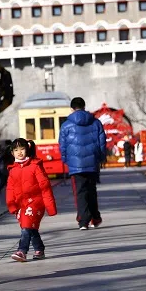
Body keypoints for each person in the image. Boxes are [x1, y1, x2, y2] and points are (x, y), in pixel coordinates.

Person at [59, 96, 107, 230]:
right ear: (84, 106)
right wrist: (101, 158)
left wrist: (65, 159)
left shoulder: (66, 125)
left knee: (79, 193)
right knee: (92, 191)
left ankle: (83, 221)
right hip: (92, 163)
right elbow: (102, 143)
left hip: (75, 165)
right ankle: (95, 218)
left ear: (72, 108)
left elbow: (62, 145)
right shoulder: (96, 123)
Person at [6, 138, 57, 261]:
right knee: (30, 227)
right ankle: (39, 249)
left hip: (35, 202)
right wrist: (12, 205)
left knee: (26, 226)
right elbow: (10, 189)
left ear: (27, 150)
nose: (19, 152)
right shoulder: (13, 170)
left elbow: (45, 187)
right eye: (16, 150)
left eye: (22, 149)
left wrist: (50, 207)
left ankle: (22, 251)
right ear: (12, 153)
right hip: (21, 204)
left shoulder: (35, 166)